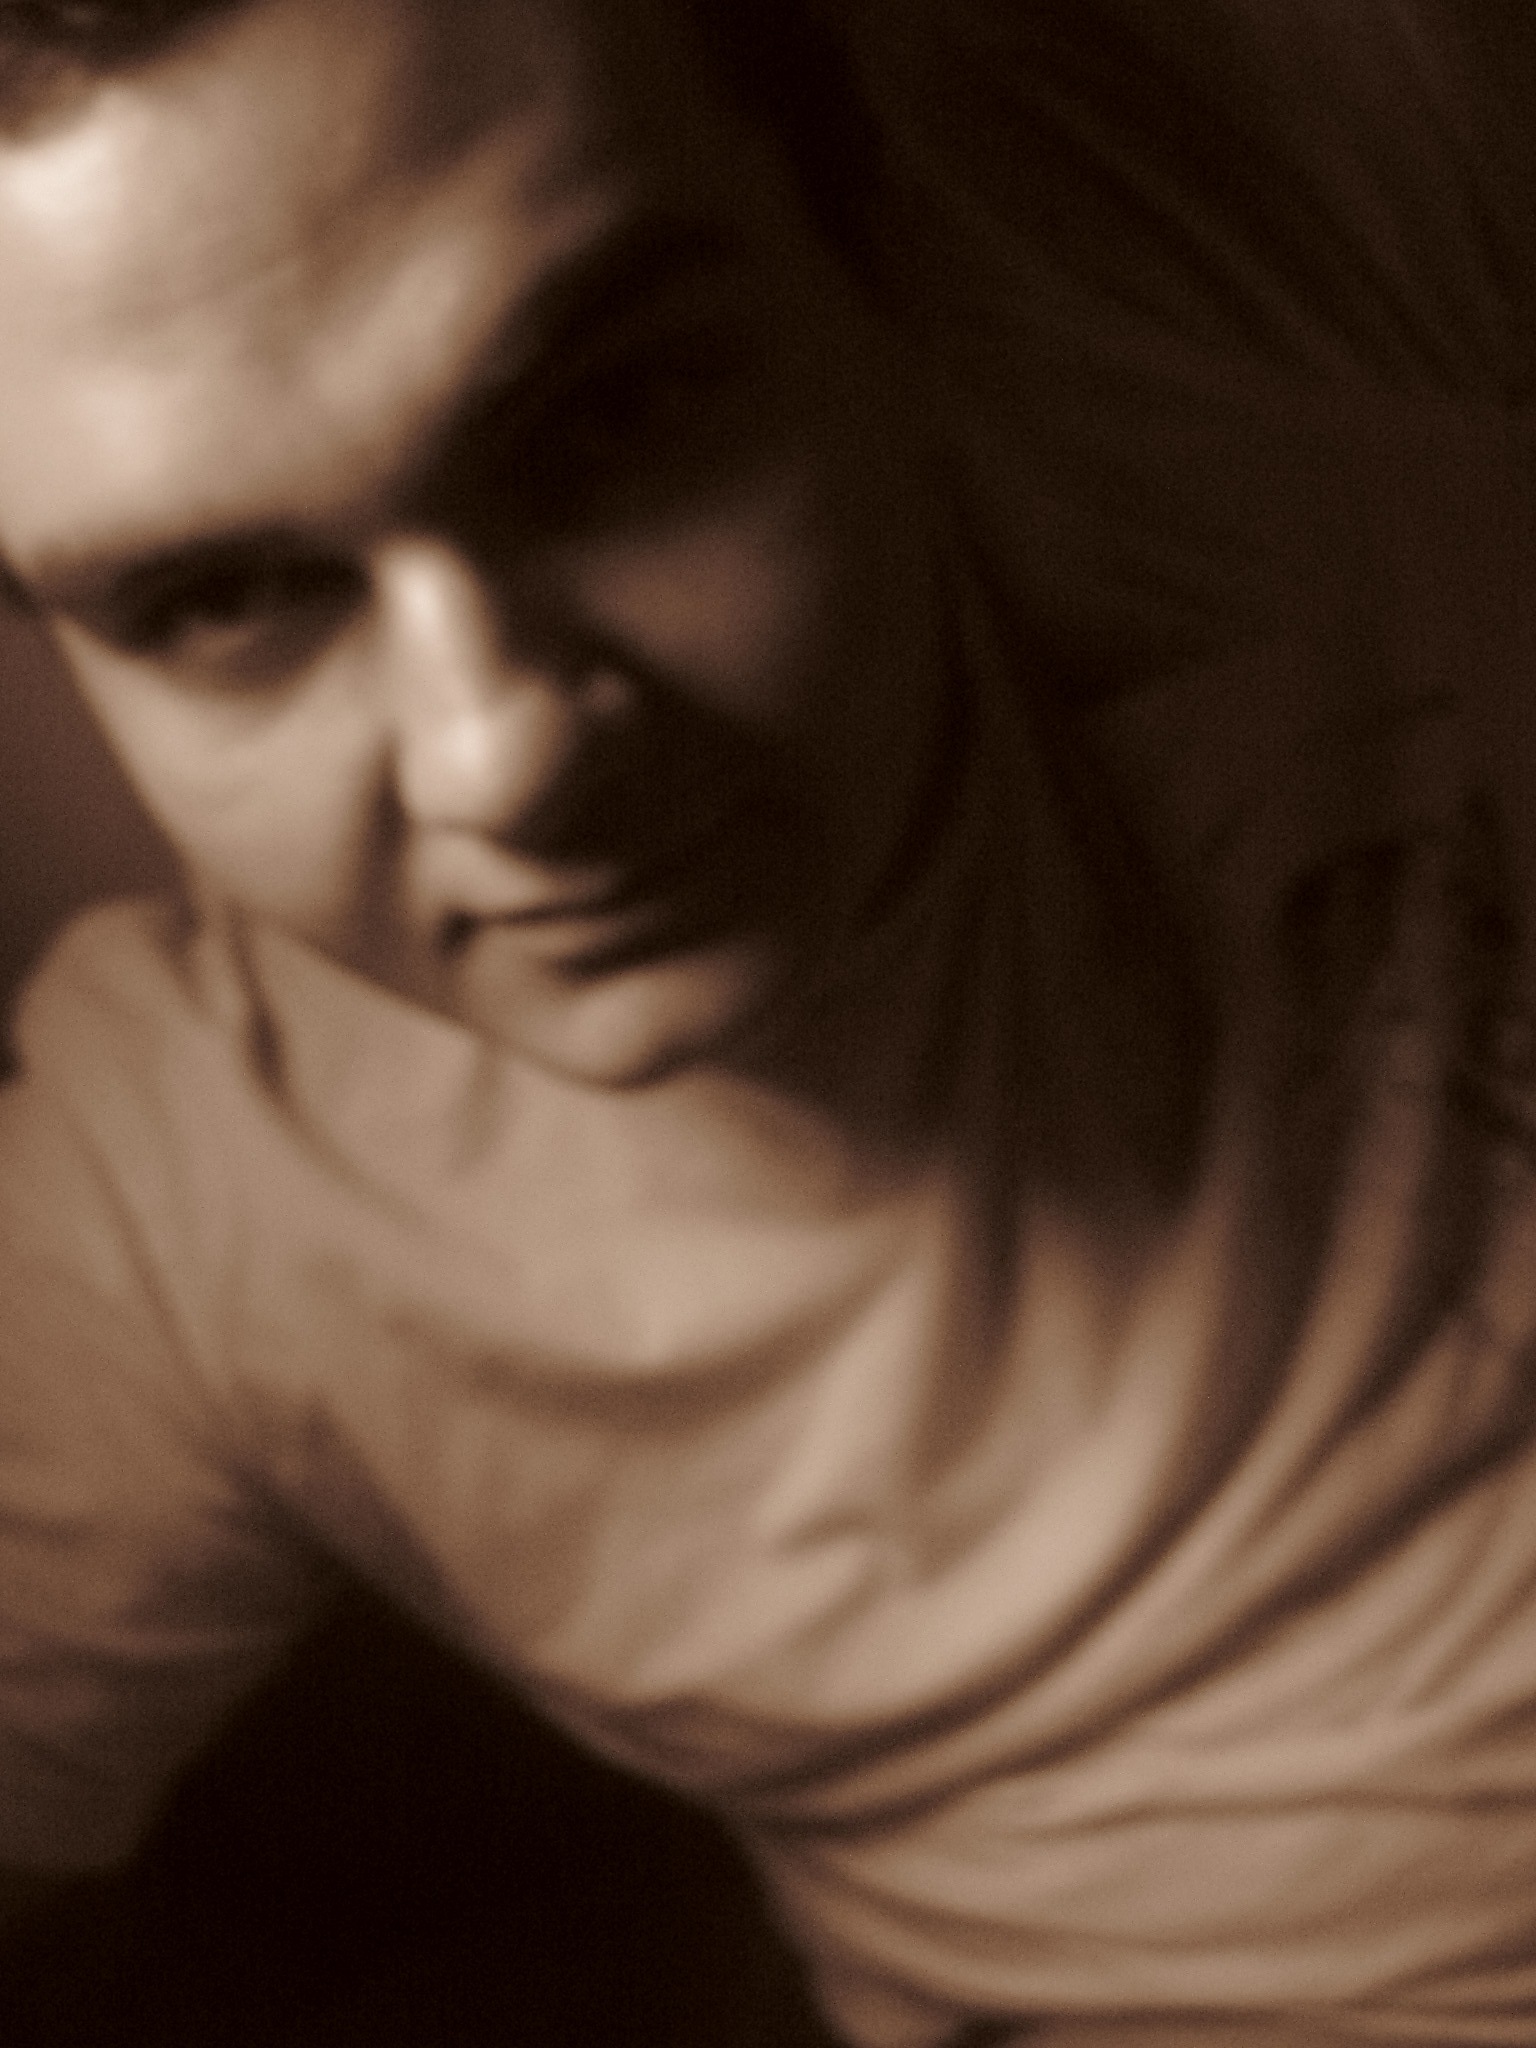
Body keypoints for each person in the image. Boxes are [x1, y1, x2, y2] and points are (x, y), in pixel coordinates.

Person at [0, 0, 1533, 2041]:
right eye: (221, 600)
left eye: (616, 416)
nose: (499, 750)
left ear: (862, 247)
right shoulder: (177, 1198)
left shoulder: (1305, 333)